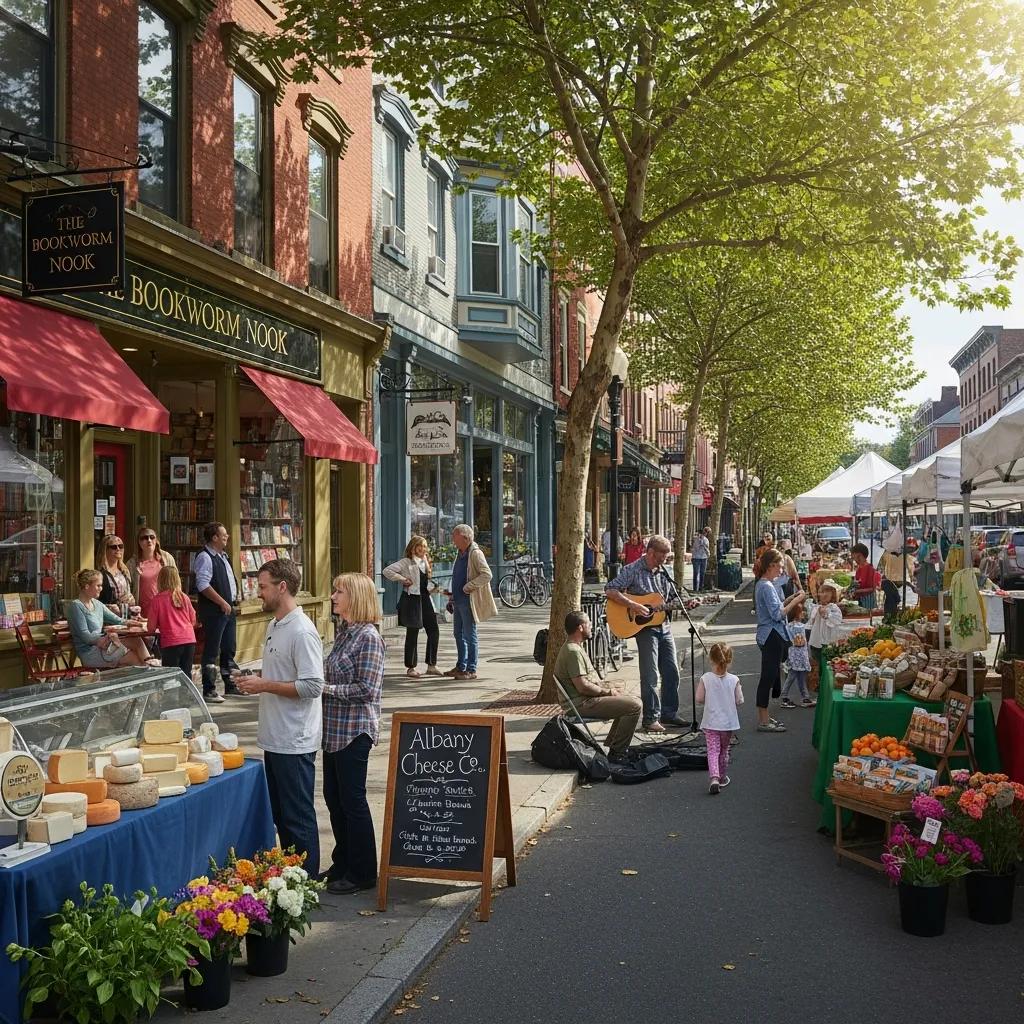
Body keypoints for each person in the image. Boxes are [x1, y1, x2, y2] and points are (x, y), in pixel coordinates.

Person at [232, 559, 325, 877]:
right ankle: (292, 881)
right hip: (275, 736)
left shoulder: (302, 631)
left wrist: (265, 684)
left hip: (295, 739)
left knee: (297, 818)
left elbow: (313, 685)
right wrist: (255, 680)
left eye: (263, 586)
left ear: (282, 587)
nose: (259, 593)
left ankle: (307, 884)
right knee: (283, 817)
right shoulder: (275, 625)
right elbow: (283, 674)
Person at [320, 572, 385, 895]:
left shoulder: (369, 637)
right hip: (332, 731)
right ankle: (342, 861)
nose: (333, 596)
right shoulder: (345, 633)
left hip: (354, 731)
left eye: (339, 591)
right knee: (335, 800)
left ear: (355, 598)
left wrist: (325, 688)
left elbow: (368, 689)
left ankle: (362, 871)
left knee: (353, 801)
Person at [605, 534, 685, 733]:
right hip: (644, 629)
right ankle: (650, 718)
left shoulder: (663, 572)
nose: (663, 561)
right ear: (650, 552)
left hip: (664, 627)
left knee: (672, 671)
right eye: (660, 557)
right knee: (650, 674)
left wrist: (686, 604)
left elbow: (673, 598)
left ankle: (669, 713)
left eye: (666, 558)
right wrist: (634, 604)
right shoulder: (632, 569)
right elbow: (610, 590)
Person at [553, 610, 642, 762]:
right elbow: (582, 687)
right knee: (634, 706)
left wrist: (612, 689)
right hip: (581, 703)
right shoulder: (572, 651)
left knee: (630, 699)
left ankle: (614, 746)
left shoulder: (575, 647)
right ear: (581, 627)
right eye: (589, 624)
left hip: (585, 699)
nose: (591, 626)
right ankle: (617, 752)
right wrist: (607, 692)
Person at [754, 549, 807, 733]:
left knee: (770, 675)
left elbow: (776, 607)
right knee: (768, 677)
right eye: (781, 565)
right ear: (771, 565)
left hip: (769, 634)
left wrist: (792, 598)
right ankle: (763, 720)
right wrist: (797, 601)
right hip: (771, 635)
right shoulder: (767, 586)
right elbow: (777, 614)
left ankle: (765, 716)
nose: (783, 569)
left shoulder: (766, 584)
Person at [193, 521, 241, 703]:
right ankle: (209, 689)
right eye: (223, 535)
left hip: (228, 609)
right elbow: (203, 584)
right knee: (212, 650)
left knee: (229, 647)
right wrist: (221, 602)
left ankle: (230, 684)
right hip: (215, 611)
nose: (227, 537)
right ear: (214, 538)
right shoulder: (205, 557)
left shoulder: (222, 556)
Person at [443, 524, 497, 680]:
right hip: (458, 600)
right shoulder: (460, 553)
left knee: (469, 635)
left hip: (468, 601)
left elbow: (487, 574)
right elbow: (458, 575)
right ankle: (461, 666)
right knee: (458, 634)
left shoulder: (475, 553)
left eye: (455, 537)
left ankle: (471, 669)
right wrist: (452, 595)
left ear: (465, 538)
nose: (453, 540)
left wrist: (468, 587)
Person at [67, 569, 152, 668]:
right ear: (87, 586)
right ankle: (152, 673)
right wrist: (106, 637)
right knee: (134, 659)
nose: (101, 589)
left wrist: (131, 622)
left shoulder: (97, 604)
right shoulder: (76, 606)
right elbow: (86, 636)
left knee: (136, 641)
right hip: (90, 653)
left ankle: (152, 668)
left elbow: (117, 620)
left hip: (104, 646)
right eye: (98, 585)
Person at [383, 536, 441, 678]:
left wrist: (432, 588)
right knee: (413, 632)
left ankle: (431, 665)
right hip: (412, 600)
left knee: (433, 630)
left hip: (425, 598)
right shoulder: (405, 562)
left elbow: (424, 583)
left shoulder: (425, 561)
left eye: (425, 546)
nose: (422, 549)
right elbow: (387, 571)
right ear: (412, 547)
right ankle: (411, 667)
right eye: (419, 546)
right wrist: (403, 579)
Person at [695, 642, 743, 795]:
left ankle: (714, 778)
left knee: (712, 750)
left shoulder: (706, 678)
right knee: (723, 750)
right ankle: (722, 777)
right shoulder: (734, 679)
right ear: (729, 660)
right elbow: (739, 700)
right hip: (727, 724)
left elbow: (699, 698)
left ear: (711, 659)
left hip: (710, 722)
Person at [147, 565, 197, 676]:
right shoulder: (184, 597)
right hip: (189, 640)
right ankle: (186, 694)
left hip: (171, 641)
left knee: (170, 677)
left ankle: (172, 694)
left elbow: (151, 628)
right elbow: (193, 620)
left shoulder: (157, 600)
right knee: (186, 675)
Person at [127, 527, 176, 618]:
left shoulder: (167, 558)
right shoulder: (132, 563)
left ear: (156, 540)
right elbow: (128, 589)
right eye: (144, 538)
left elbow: (175, 582)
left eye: (152, 537)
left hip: (165, 608)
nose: (149, 540)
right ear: (139, 542)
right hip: (143, 611)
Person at [808, 580, 843, 686]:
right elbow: (811, 622)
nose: (824, 594)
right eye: (822, 591)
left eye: (827, 591)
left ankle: (825, 687)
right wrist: (819, 612)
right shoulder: (816, 607)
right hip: (816, 642)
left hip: (828, 643)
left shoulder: (834, 608)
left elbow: (836, 620)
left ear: (833, 594)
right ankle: (819, 687)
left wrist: (827, 615)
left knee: (827, 668)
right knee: (818, 667)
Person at [780, 613, 815, 709]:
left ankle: (803, 697)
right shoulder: (799, 626)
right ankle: (786, 697)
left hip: (793, 654)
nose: (802, 614)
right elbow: (803, 641)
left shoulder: (788, 626)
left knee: (793, 677)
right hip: (800, 655)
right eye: (800, 612)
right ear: (796, 614)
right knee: (798, 678)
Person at [96, 535, 136, 611]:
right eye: (114, 547)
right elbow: (96, 601)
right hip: (109, 617)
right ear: (105, 550)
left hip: (126, 614)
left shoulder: (125, 570)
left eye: (120, 546)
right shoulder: (100, 574)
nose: (118, 549)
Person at [851, 542, 881, 609]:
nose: (853, 559)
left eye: (854, 556)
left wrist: (857, 591)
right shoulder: (859, 569)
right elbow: (858, 583)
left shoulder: (870, 569)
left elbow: (872, 589)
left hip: (868, 602)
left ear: (860, 555)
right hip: (860, 600)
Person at [691, 527, 711, 592]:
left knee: (702, 573)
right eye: (705, 532)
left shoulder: (706, 540)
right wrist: (700, 542)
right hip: (696, 558)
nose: (705, 534)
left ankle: (701, 588)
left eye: (707, 533)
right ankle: (695, 589)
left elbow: (707, 548)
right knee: (696, 573)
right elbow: (695, 547)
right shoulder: (696, 539)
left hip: (704, 558)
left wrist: (704, 546)